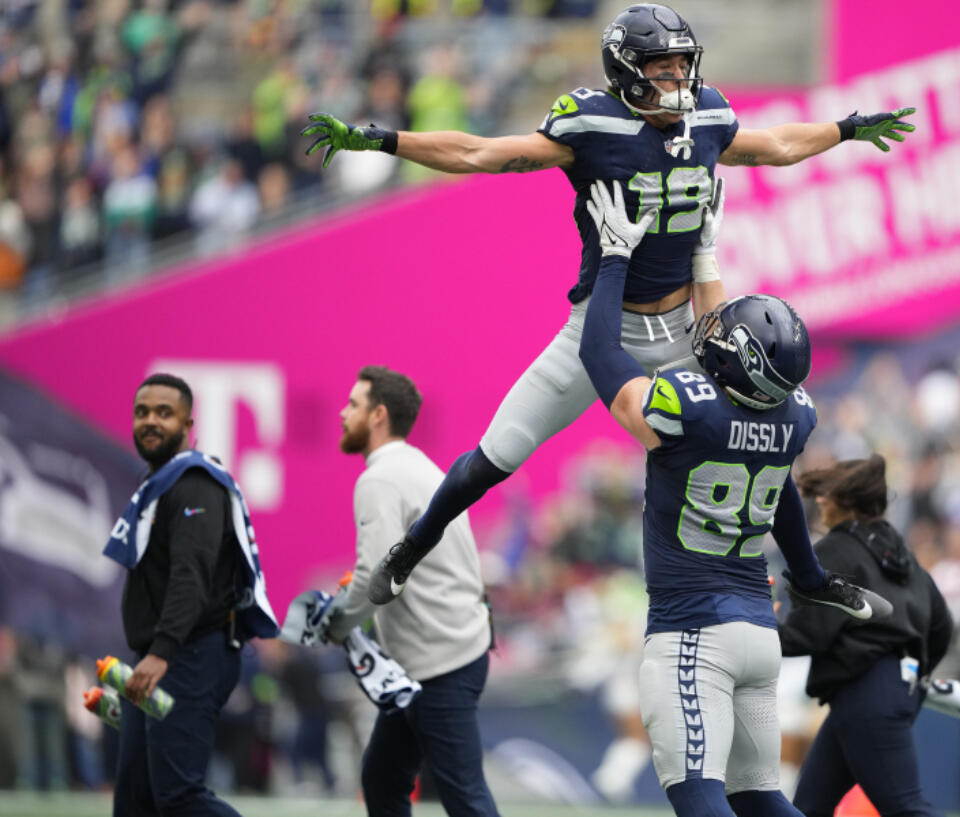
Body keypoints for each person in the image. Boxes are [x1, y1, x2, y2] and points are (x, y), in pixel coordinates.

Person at [299, 3, 916, 603]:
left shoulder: (706, 113)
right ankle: (411, 547)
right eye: (662, 67)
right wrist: (383, 140)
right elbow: (478, 154)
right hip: (600, 327)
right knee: (496, 456)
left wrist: (847, 129)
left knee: (762, 432)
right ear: (626, 71)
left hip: (688, 330)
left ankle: (808, 580)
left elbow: (775, 145)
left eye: (682, 64)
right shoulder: (590, 123)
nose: (678, 78)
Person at [570, 178, 892, 817]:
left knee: (700, 801)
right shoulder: (793, 415)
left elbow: (597, 347)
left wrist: (612, 259)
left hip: (693, 631)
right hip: (755, 630)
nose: (712, 337)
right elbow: (780, 500)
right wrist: (705, 253)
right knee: (765, 801)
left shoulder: (684, 411)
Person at [326, 365, 500, 817]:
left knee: (465, 797)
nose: (343, 414)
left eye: (353, 405)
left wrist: (336, 623)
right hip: (437, 658)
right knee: (382, 782)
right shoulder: (417, 466)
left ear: (378, 414)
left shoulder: (381, 478)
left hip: (440, 662)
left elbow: (373, 575)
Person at [105, 372, 279, 816]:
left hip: (189, 656)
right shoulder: (161, 485)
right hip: (159, 658)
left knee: (179, 797)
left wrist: (162, 650)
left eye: (165, 413)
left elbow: (191, 575)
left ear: (189, 425)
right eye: (142, 412)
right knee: (134, 802)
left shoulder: (195, 483)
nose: (151, 421)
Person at [777, 455, 954, 817]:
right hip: (885, 692)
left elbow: (809, 634)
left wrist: (760, 626)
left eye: (827, 493)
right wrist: (910, 675)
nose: (821, 500)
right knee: (810, 807)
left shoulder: (833, 551)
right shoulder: (899, 552)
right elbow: (942, 625)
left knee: (905, 807)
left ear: (846, 500)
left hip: (865, 692)